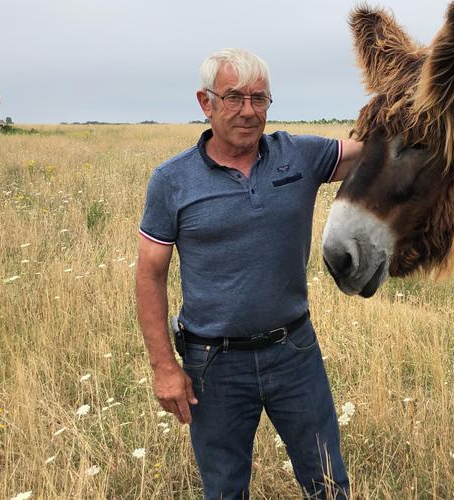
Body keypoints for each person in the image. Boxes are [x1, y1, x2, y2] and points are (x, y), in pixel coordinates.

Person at [135, 48, 362, 499]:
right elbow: (149, 274)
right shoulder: (173, 181)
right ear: (206, 103)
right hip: (213, 364)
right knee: (223, 490)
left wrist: (424, 104)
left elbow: (373, 153)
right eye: (234, 97)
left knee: (329, 483)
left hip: (294, 350)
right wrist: (164, 366)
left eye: (259, 99)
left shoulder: (298, 156)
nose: (247, 111)